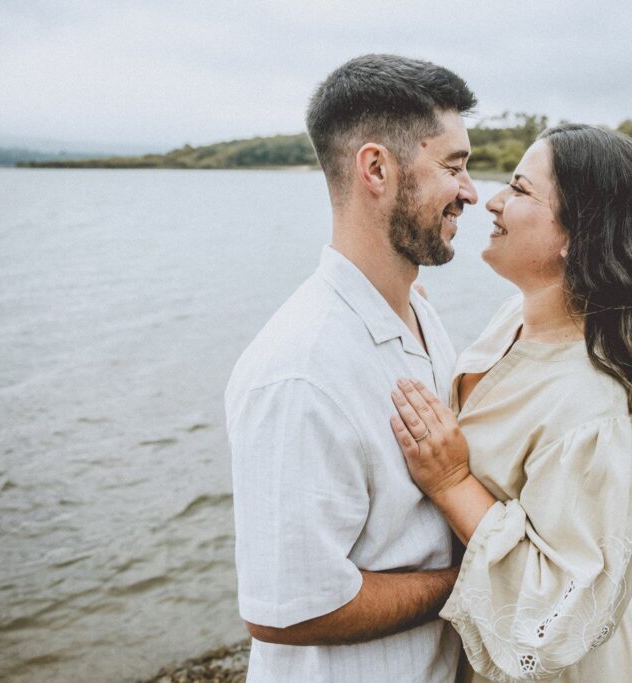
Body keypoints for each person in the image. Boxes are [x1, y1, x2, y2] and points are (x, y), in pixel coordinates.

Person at [389, 124, 632, 681]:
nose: (492, 200)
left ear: (578, 235)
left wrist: (451, 483)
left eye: (519, 189)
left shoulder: (602, 413)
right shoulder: (518, 316)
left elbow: (559, 614)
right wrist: (404, 313)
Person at [224, 54, 479, 682]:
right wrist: (473, 583)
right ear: (376, 169)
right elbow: (289, 610)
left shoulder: (416, 309)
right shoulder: (301, 371)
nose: (471, 192)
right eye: (453, 166)